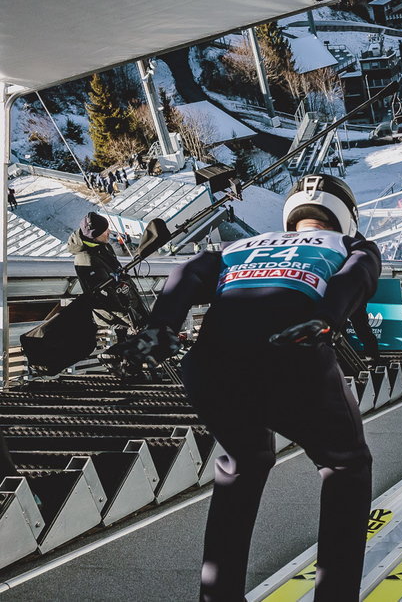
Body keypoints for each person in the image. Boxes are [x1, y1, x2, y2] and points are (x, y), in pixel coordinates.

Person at [116, 174, 379, 602]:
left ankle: (218, 596)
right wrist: (328, 317)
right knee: (346, 464)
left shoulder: (241, 246)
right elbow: (358, 275)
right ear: (347, 217)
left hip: (209, 365)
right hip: (292, 354)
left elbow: (190, 271)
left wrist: (162, 326)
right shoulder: (349, 244)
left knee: (245, 459)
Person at [67, 212, 145, 342]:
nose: (109, 232)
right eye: (105, 230)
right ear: (95, 236)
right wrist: (132, 320)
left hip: (127, 305)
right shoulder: (88, 260)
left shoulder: (103, 246)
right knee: (134, 345)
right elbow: (106, 299)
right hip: (118, 316)